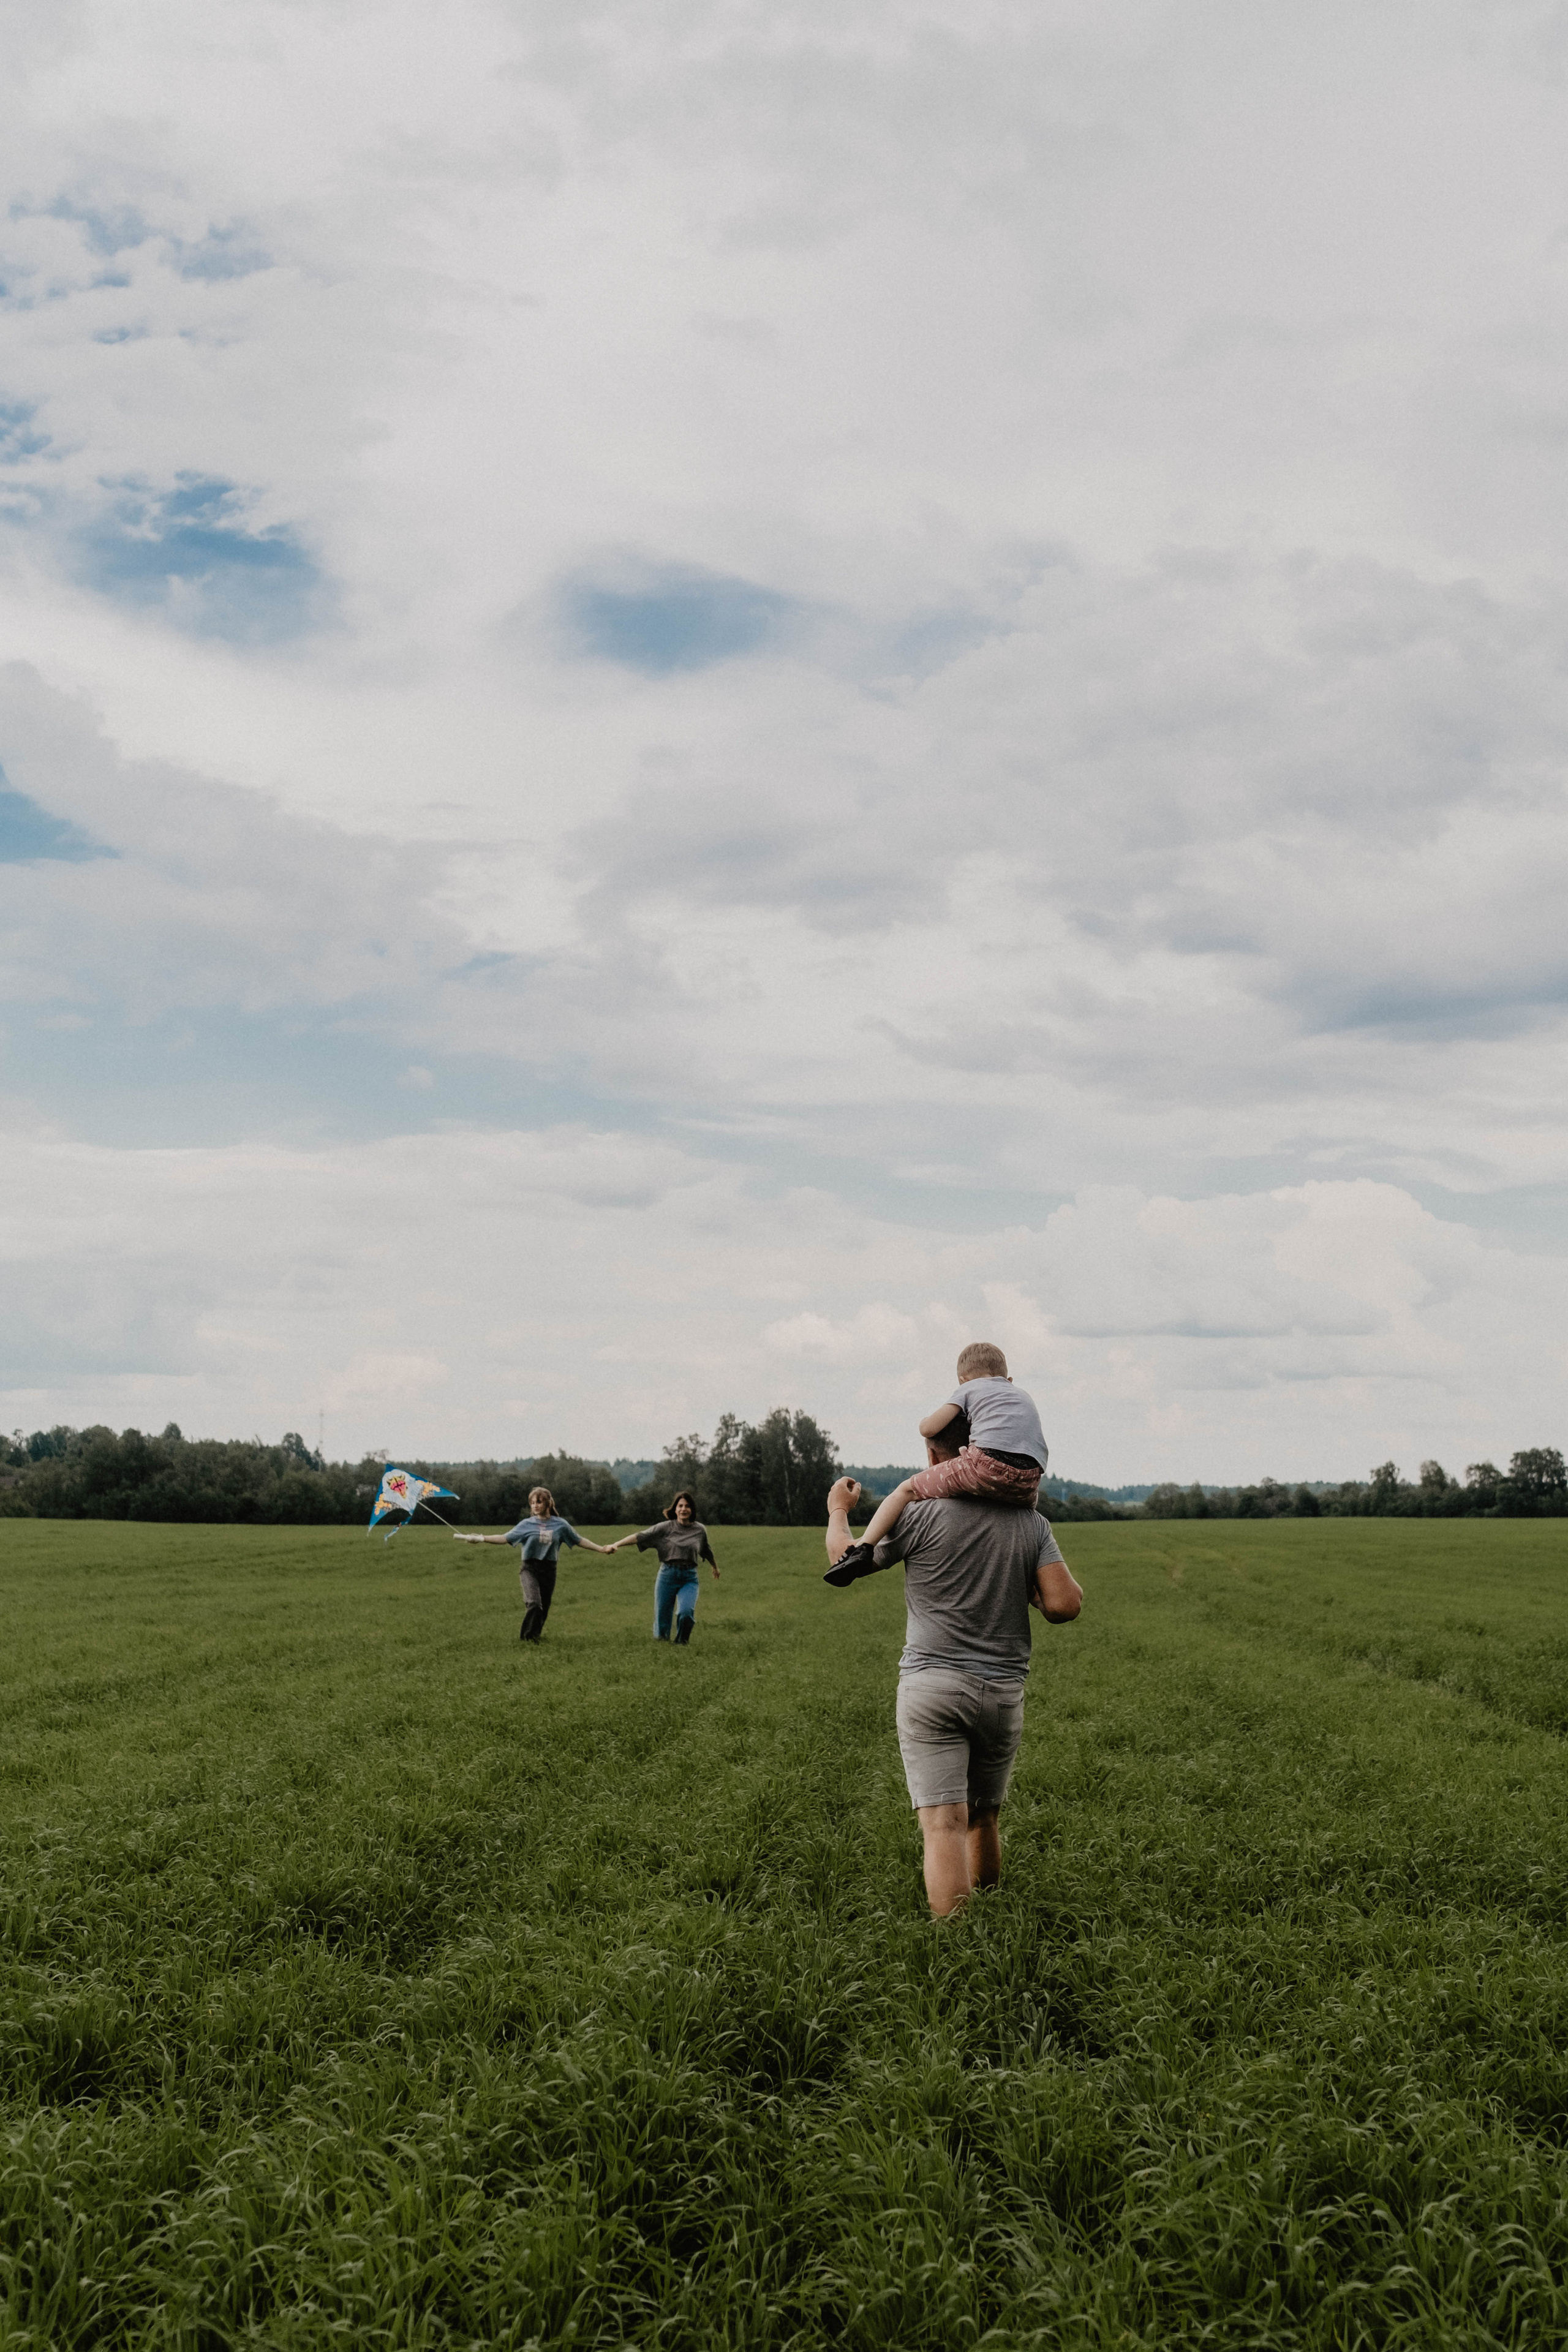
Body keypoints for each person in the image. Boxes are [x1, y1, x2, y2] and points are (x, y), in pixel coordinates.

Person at [824, 1422, 1082, 1918]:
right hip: (1003, 1692)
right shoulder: (1032, 1525)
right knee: (983, 1819)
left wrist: (838, 1510)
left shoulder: (918, 1513)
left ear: (931, 1452)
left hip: (933, 1687)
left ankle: (958, 1951)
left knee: (943, 1824)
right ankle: (992, 1928)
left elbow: (844, 1559)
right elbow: (1065, 1606)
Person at [834, 1340, 1049, 1574]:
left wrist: (923, 1422)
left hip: (985, 1465)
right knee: (1024, 1512)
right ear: (1009, 1380)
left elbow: (929, 1429)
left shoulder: (969, 1388)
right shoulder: (1021, 1394)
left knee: (905, 1490)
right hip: (1030, 1477)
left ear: (963, 1380)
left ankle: (864, 1546)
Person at [454, 1483, 617, 1642]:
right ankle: (526, 1639)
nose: (535, 1506)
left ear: (547, 1503)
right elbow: (505, 1538)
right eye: (532, 1503)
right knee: (534, 1604)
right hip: (530, 1569)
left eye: (538, 1502)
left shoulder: (560, 1525)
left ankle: (535, 1639)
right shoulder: (526, 1524)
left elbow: (579, 1540)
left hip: (549, 1570)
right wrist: (482, 1538)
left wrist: (601, 1549)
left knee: (544, 1609)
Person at [608, 1490, 720, 1644]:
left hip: (689, 1577)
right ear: (675, 1509)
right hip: (668, 1575)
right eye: (680, 1506)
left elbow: (706, 1549)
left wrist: (714, 1567)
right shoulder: (665, 1528)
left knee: (686, 1613)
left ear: (692, 1510)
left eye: (687, 1506)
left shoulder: (699, 1530)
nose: (683, 1509)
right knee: (662, 1619)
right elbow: (641, 1536)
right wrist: (617, 1544)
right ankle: (663, 1646)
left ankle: (681, 1643)